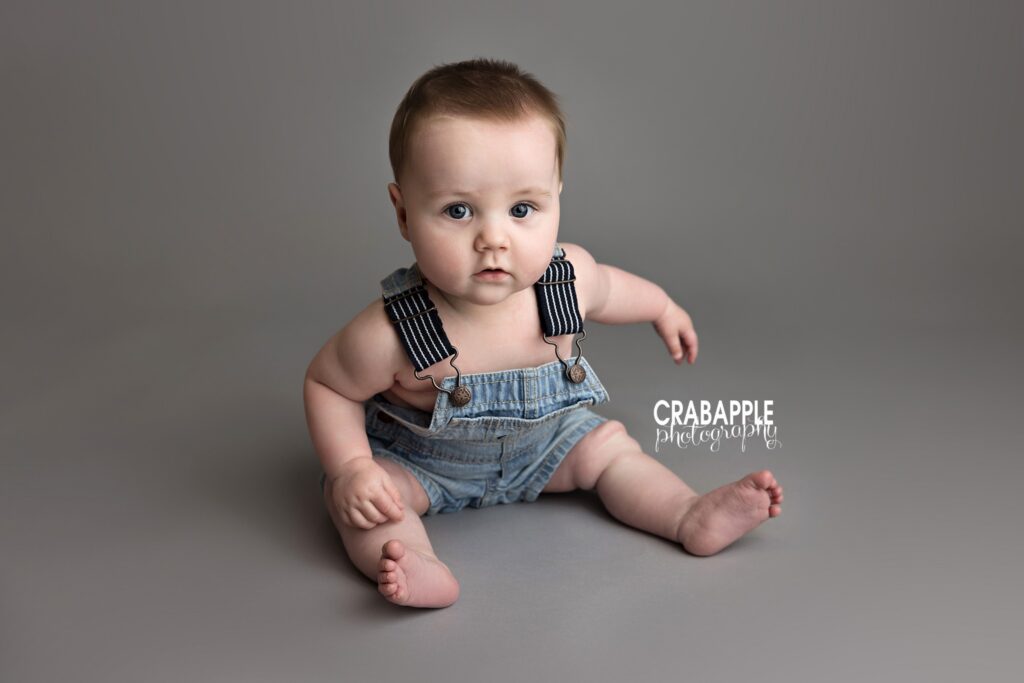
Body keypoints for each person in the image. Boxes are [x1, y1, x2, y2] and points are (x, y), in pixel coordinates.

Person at [303, 58, 783, 608]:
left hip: (550, 448)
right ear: (404, 212)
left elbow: (612, 289)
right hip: (427, 466)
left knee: (610, 450)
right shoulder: (392, 330)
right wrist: (351, 468)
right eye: (458, 211)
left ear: (557, 197)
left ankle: (687, 514)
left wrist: (664, 308)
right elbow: (328, 385)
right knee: (369, 503)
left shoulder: (567, 280)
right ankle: (416, 560)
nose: (494, 238)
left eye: (522, 208)